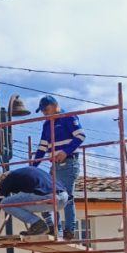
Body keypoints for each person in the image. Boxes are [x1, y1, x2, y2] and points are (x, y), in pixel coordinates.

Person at [31, 96, 85, 241]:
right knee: (48, 196)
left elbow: (80, 136)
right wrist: (32, 168)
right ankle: (55, 229)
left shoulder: (68, 117)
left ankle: (69, 230)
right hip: (54, 166)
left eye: (46, 110)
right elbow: (42, 148)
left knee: (66, 197)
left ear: (55, 105)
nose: (45, 114)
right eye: (42, 112)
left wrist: (65, 151)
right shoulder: (46, 125)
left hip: (69, 164)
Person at [0, 166, 69, 237]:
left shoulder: (7, 179)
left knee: (5, 203)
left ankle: (37, 224)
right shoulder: (29, 173)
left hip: (48, 196)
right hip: (63, 199)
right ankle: (51, 228)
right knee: (40, 198)